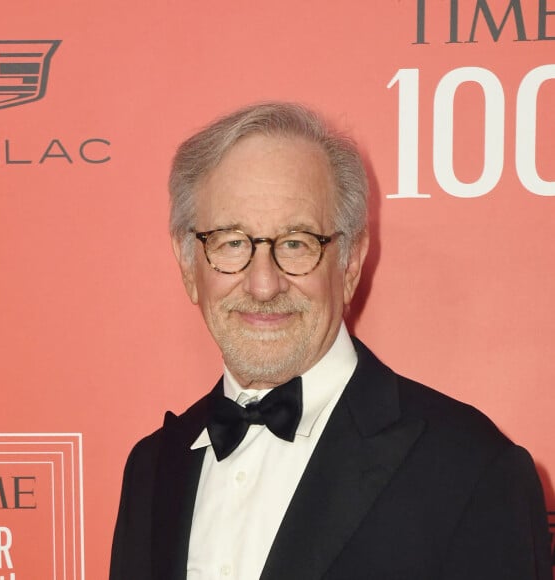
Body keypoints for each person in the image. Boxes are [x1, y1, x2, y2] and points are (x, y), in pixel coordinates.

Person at [110, 102, 551, 580]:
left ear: (350, 262)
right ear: (188, 265)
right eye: (231, 242)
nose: (263, 284)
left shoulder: (474, 471)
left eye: (297, 243)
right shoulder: (151, 470)